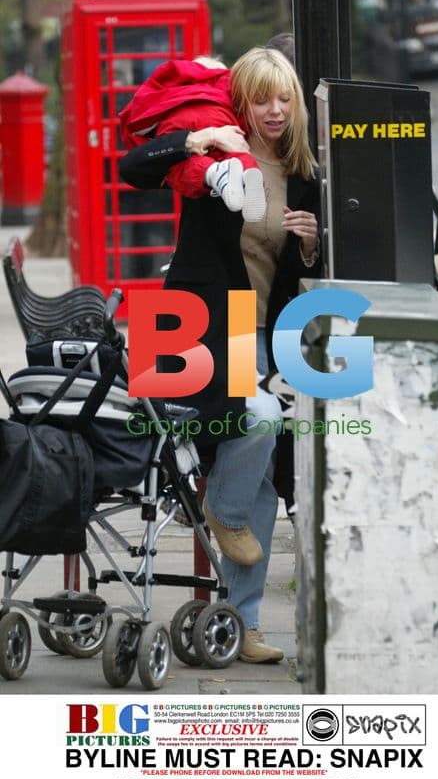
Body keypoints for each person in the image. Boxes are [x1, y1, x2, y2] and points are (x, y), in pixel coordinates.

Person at [120, 47, 321, 664]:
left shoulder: (304, 174)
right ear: (241, 102)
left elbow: (295, 277)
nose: (276, 110)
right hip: (196, 330)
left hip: (266, 331)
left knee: (263, 472)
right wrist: (193, 139)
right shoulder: (215, 152)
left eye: (284, 98)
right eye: (262, 98)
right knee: (259, 420)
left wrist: (311, 249)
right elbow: (133, 165)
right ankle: (217, 508)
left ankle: (242, 625)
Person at [119, 57, 266, 222]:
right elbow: (129, 167)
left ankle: (214, 173)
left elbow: (138, 116)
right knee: (237, 151)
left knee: (180, 166)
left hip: (179, 121)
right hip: (223, 118)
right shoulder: (227, 85)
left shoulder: (172, 83)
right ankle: (248, 171)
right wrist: (211, 135)